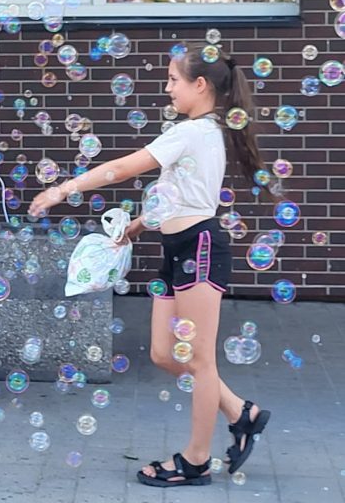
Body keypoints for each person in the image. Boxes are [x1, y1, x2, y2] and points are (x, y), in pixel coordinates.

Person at [29, 43, 273, 487]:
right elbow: (175, 196)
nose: (167, 89)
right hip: (176, 246)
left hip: (199, 247)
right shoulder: (200, 131)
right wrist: (137, 228)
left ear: (200, 85)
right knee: (164, 353)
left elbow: (125, 167)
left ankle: (196, 460)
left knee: (199, 362)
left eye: (173, 81)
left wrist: (63, 189)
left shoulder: (195, 132)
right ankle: (242, 413)